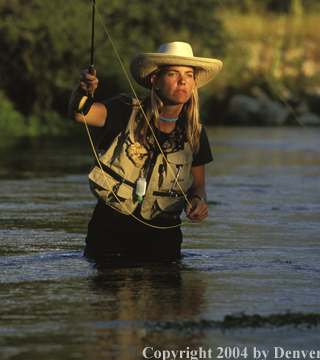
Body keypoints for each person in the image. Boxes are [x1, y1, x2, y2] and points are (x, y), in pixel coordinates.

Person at [68, 42, 222, 262]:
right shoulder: (124, 110)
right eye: (173, 74)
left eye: (189, 75)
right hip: (109, 238)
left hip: (162, 242)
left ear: (194, 83)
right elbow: (80, 114)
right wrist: (83, 90)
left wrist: (198, 201)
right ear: (155, 81)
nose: (182, 81)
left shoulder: (196, 133)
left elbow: (198, 186)